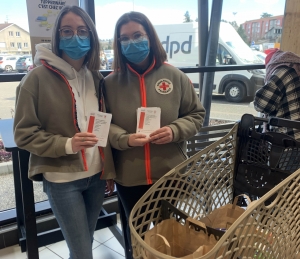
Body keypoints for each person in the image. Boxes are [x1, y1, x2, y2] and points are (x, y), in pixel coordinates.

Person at [13, 5, 115, 259]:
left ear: (91, 36)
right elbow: (23, 134)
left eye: (82, 31)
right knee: (82, 252)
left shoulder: (96, 78)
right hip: (62, 180)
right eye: (67, 31)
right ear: (57, 36)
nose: (75, 37)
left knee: (84, 244)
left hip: (96, 177)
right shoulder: (35, 80)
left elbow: (105, 127)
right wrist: (68, 144)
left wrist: (108, 168)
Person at [104, 11, 205, 258]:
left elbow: (196, 115)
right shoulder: (109, 83)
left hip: (169, 175)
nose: (131, 42)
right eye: (124, 38)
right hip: (129, 176)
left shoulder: (176, 77)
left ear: (150, 36)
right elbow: (104, 124)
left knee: (168, 237)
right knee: (135, 237)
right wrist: (124, 139)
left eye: (137, 35)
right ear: (118, 44)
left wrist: (174, 130)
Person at [253, 48, 300, 140]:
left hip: (290, 141)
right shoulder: (296, 68)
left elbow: (261, 104)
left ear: (272, 64)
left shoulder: (283, 71)